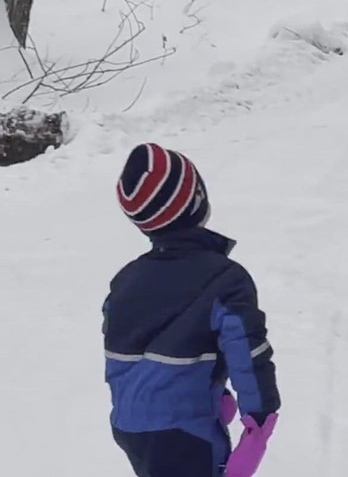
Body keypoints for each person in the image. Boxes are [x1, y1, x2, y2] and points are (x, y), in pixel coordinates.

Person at [102, 142, 282, 477]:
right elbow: (247, 351)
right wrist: (260, 422)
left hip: (130, 429)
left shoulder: (125, 281)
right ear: (198, 200)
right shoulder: (225, 280)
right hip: (187, 434)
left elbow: (128, 361)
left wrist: (212, 393)